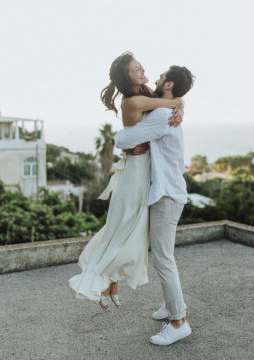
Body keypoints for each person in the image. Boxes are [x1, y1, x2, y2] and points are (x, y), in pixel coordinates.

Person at [68, 52, 183, 310]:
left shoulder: (145, 97)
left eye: (141, 65)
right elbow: (169, 104)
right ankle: (100, 279)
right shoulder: (131, 102)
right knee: (124, 228)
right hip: (135, 175)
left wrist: (179, 105)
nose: (142, 69)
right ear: (126, 77)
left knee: (129, 229)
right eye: (136, 69)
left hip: (144, 172)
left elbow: (169, 103)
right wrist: (178, 105)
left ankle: (111, 281)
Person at [115, 65, 195, 345]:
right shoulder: (165, 109)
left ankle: (178, 321)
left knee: (163, 258)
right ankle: (170, 306)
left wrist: (121, 138)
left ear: (169, 84)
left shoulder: (162, 115)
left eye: (162, 77)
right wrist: (179, 103)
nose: (157, 78)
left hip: (166, 195)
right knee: (163, 256)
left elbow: (124, 139)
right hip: (166, 193)